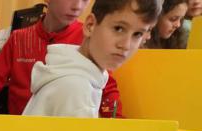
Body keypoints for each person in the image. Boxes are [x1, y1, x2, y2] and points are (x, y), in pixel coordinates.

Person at [0, 0, 124, 118]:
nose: (78, 6)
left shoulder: (89, 38)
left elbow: (107, 89)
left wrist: (117, 129)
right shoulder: (19, 39)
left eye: (85, 0)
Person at [24, 0, 159, 118]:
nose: (126, 45)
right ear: (90, 25)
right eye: (118, 28)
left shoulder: (77, 72)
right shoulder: (76, 89)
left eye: (137, 34)